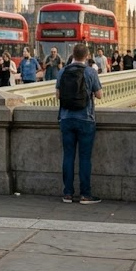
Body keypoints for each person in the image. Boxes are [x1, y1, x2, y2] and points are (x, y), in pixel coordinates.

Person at [56, 44, 104, 205]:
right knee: (84, 158)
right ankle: (85, 195)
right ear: (87, 55)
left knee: (68, 156)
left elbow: (58, 95)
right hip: (86, 118)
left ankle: (67, 194)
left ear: (72, 54)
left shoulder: (63, 71)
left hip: (66, 118)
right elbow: (99, 95)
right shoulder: (91, 71)